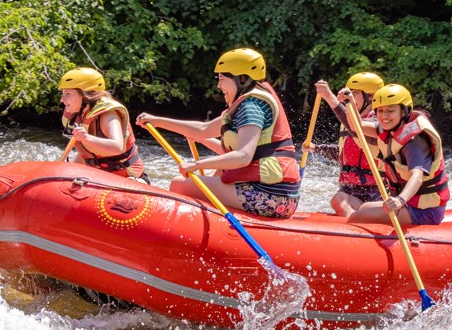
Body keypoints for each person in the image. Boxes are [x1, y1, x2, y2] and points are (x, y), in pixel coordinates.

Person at [136, 48, 301, 218]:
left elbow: (243, 156)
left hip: (271, 197)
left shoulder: (251, 108)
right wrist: (156, 121)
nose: (219, 85)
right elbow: (203, 130)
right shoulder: (247, 104)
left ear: (242, 79)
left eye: (222, 79)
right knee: (218, 173)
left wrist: (197, 165)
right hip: (280, 197)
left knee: (180, 184)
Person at [344, 84, 449, 226]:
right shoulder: (389, 130)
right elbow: (358, 126)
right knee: (364, 207)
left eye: (390, 111)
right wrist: (350, 102)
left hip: (425, 210)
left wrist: (400, 200)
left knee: (356, 218)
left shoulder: (414, 142)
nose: (384, 116)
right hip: (410, 203)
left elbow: (417, 177)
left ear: (403, 112)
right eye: (380, 111)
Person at [303, 72, 385, 217]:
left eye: (354, 93)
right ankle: (353, 221)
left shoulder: (380, 122)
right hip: (350, 192)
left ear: (371, 97)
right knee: (338, 199)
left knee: (339, 199)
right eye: (349, 93)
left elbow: (358, 130)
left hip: (376, 194)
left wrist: (330, 97)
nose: (350, 97)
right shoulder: (349, 120)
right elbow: (346, 155)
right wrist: (316, 148)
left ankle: (356, 225)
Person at [58, 67, 149, 183]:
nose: (62, 99)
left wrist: (87, 138)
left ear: (86, 95)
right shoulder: (77, 115)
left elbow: (117, 147)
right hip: (98, 177)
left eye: (68, 94)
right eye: (62, 94)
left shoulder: (108, 115)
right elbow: (87, 154)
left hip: (129, 178)